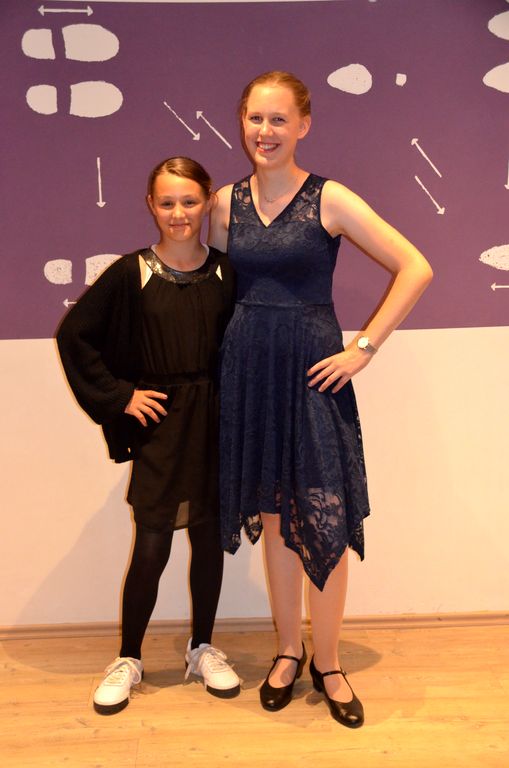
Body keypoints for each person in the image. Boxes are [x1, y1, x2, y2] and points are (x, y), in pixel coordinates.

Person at [209, 71, 433, 728]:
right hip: (250, 372)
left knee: (322, 517)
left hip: (312, 375)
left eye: (278, 119)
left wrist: (363, 347)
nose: (265, 131)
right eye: (255, 118)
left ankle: (328, 662)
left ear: (303, 125)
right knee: (275, 518)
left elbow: (415, 267)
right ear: (242, 121)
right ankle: (288, 650)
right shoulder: (223, 204)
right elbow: (199, 282)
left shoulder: (328, 198)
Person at [57, 156, 240, 715]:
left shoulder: (227, 272)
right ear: (151, 206)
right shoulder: (130, 271)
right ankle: (129, 657)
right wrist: (120, 397)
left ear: (207, 202)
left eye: (189, 201)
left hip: (217, 419)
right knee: (153, 542)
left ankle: (202, 648)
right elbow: (75, 336)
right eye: (167, 202)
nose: (179, 213)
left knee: (208, 537)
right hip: (162, 425)